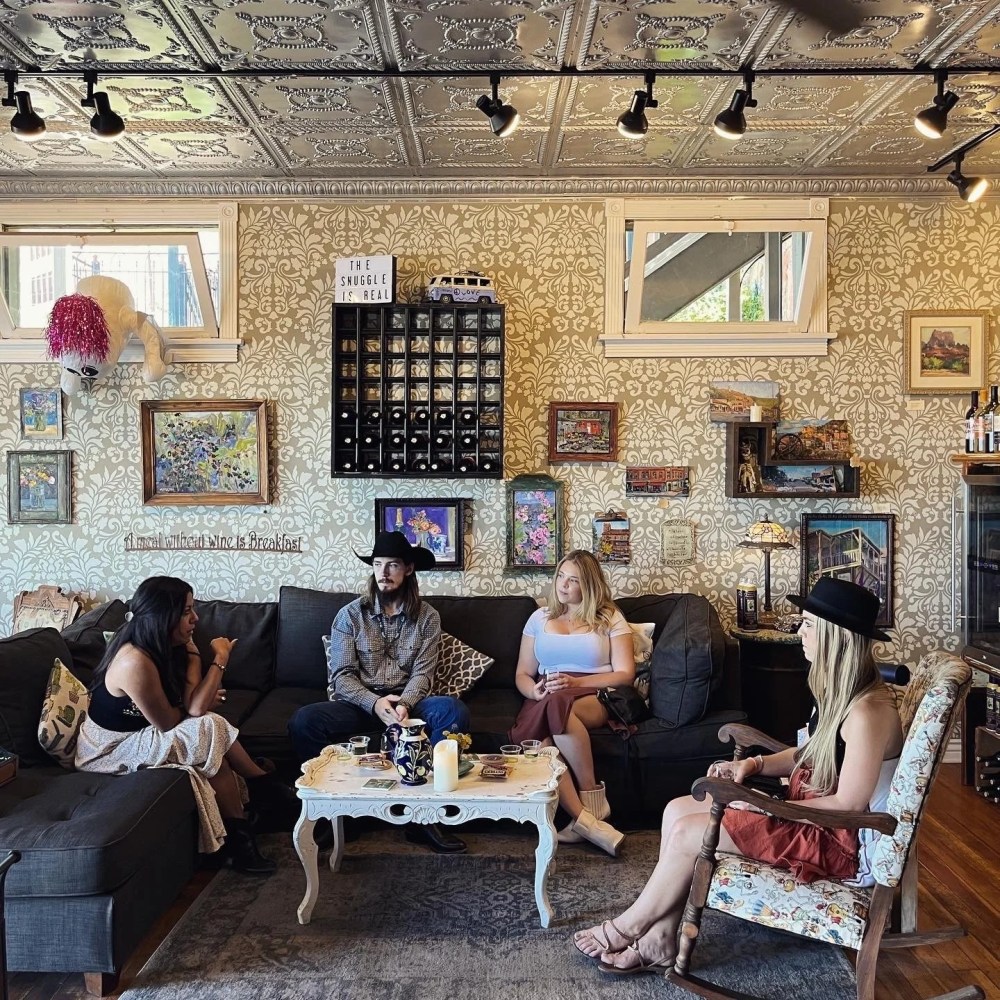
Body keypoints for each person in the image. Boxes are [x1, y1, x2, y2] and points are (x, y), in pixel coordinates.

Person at [572, 576, 904, 975]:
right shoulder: (843, 696)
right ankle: (662, 938)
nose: (800, 632)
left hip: (837, 842)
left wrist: (763, 807)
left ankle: (629, 926)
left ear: (837, 637)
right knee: (677, 810)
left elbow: (848, 806)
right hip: (813, 817)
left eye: (809, 625)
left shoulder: (868, 713)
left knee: (687, 834)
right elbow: (811, 753)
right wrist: (755, 765)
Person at [75, 576, 278, 875]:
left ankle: (244, 836)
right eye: (187, 611)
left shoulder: (168, 644)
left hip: (141, 732)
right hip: (108, 749)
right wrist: (220, 659)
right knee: (208, 726)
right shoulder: (134, 661)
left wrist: (195, 657)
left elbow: (191, 705)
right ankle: (267, 793)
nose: (195, 618)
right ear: (163, 616)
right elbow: (173, 719)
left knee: (208, 733)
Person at [288, 530, 471, 854]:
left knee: (452, 711)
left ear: (409, 569)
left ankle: (424, 817)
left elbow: (423, 674)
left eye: (393, 565)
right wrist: (375, 704)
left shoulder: (428, 617)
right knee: (305, 720)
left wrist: (404, 704)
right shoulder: (349, 615)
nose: (384, 572)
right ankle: (339, 817)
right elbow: (342, 677)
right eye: (378, 564)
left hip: (410, 703)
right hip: (360, 701)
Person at [509, 550, 634, 856]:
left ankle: (590, 796)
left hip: (594, 693)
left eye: (573, 580)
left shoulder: (609, 617)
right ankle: (587, 818)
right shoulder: (539, 618)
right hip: (547, 695)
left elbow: (625, 674)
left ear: (589, 585)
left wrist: (577, 683)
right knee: (539, 740)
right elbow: (523, 674)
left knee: (555, 708)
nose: (563, 585)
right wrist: (534, 692)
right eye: (561, 577)